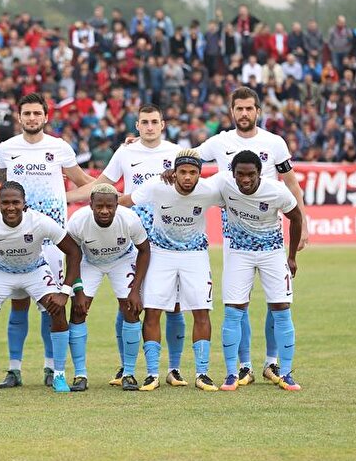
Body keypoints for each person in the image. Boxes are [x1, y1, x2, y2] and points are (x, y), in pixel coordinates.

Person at [0, 92, 94, 388]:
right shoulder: (7, 148)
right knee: (19, 305)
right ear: (19, 117)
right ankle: (14, 369)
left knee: (51, 306)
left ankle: (51, 368)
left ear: (46, 116)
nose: (32, 118)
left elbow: (84, 183)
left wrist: (75, 196)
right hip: (14, 236)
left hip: (51, 241)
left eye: (37, 113)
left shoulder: (59, 147)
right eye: (27, 113)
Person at [191, 86, 308, 385]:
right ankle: (243, 366)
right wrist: (142, 143)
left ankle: (272, 362)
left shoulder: (275, 143)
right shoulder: (219, 142)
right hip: (235, 237)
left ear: (258, 111)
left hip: (270, 234)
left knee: (276, 303)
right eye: (239, 109)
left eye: (249, 108)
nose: (244, 114)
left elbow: (292, 186)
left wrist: (304, 224)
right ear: (231, 111)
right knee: (237, 303)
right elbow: (187, 160)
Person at [65, 103, 183, 386]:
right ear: (137, 126)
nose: (150, 127)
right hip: (131, 237)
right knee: (129, 303)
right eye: (145, 122)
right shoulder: (126, 152)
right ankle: (124, 366)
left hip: (169, 236)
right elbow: (100, 186)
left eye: (155, 121)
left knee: (174, 305)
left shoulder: (176, 152)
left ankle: (174, 368)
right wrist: (65, 198)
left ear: (162, 124)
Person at [0, 181, 83, 393]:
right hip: (0, 272)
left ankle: (59, 375)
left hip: (35, 271)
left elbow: (74, 251)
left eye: (15, 202)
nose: (11, 207)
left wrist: (65, 292)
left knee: (57, 310)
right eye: (5, 203)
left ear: (24, 204)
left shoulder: (40, 222)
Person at [118, 149, 225, 392]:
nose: (188, 177)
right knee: (153, 310)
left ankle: (202, 373)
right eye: (183, 172)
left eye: (193, 172)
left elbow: (236, 195)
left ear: (199, 174)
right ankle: (152, 374)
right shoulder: (157, 185)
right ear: (174, 173)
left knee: (201, 310)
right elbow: (127, 201)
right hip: (160, 254)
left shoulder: (208, 190)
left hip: (195, 254)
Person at [218, 151, 304, 391]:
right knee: (233, 310)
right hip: (238, 253)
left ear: (260, 173)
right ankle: (232, 374)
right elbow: (193, 187)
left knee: (281, 308)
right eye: (240, 175)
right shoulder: (223, 184)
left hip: (272, 253)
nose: (245, 180)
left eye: (251, 174)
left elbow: (296, 219)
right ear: (232, 174)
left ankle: (285, 373)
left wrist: (292, 256)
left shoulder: (276, 191)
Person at [66, 184, 151, 391]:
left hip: (122, 260)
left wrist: (135, 290)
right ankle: (80, 374)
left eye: (109, 206)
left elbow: (145, 250)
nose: (105, 211)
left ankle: (129, 373)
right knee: (78, 311)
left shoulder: (129, 219)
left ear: (116, 205)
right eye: (99, 206)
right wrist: (77, 290)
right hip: (89, 262)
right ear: (91, 205)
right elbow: (71, 254)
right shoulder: (78, 220)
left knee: (131, 310)